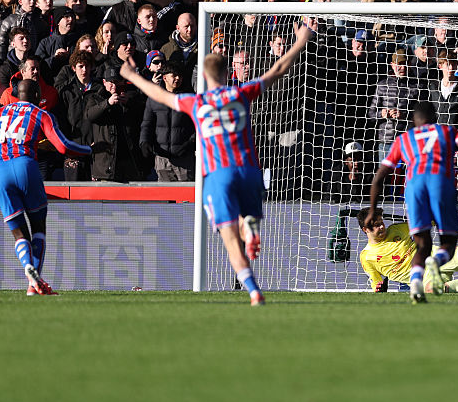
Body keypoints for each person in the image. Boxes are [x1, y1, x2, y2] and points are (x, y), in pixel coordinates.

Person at [119, 19, 313, 306]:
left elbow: (158, 94)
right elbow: (278, 69)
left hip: (218, 174)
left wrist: (132, 75)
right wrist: (300, 40)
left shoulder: (195, 102)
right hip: (249, 171)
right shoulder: (241, 92)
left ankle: (252, 289)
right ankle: (251, 226)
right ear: (226, 73)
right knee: (246, 220)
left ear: (205, 77)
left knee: (228, 237)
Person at [364, 101, 458, 304]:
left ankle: (415, 283)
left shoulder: (404, 139)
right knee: (448, 243)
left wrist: (373, 209)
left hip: (414, 189)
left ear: (413, 122)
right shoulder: (447, 131)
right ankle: (436, 262)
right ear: (434, 118)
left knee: (422, 245)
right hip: (440, 182)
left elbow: (379, 177)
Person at [0, 79, 91, 295]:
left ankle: (27, 267)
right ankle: (33, 286)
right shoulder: (40, 113)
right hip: (26, 166)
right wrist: (88, 151)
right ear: (37, 96)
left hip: (1, 171)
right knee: (38, 229)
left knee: (18, 233)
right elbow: (62, 146)